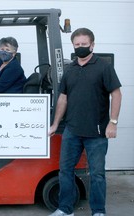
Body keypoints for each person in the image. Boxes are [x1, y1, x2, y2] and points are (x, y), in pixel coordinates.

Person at [48, 28, 122, 216]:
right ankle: (65, 209)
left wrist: (113, 122)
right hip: (72, 131)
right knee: (65, 171)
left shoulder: (103, 67)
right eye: (77, 44)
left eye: (84, 44)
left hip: (96, 133)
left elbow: (116, 94)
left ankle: (98, 211)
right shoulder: (70, 69)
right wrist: (56, 124)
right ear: (73, 45)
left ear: (92, 45)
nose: (80, 47)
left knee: (97, 174)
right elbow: (63, 98)